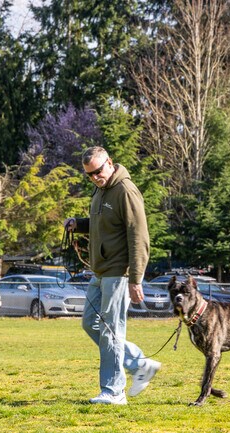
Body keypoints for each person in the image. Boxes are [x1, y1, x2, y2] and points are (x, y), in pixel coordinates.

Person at [64, 146, 161, 405]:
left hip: (118, 273)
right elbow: (103, 225)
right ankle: (140, 364)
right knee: (90, 324)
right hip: (100, 271)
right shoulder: (101, 190)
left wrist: (136, 278)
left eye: (98, 171)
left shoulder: (125, 190)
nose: (95, 177)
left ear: (110, 162)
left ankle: (114, 391)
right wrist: (79, 224)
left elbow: (139, 237)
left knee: (111, 332)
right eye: (89, 175)